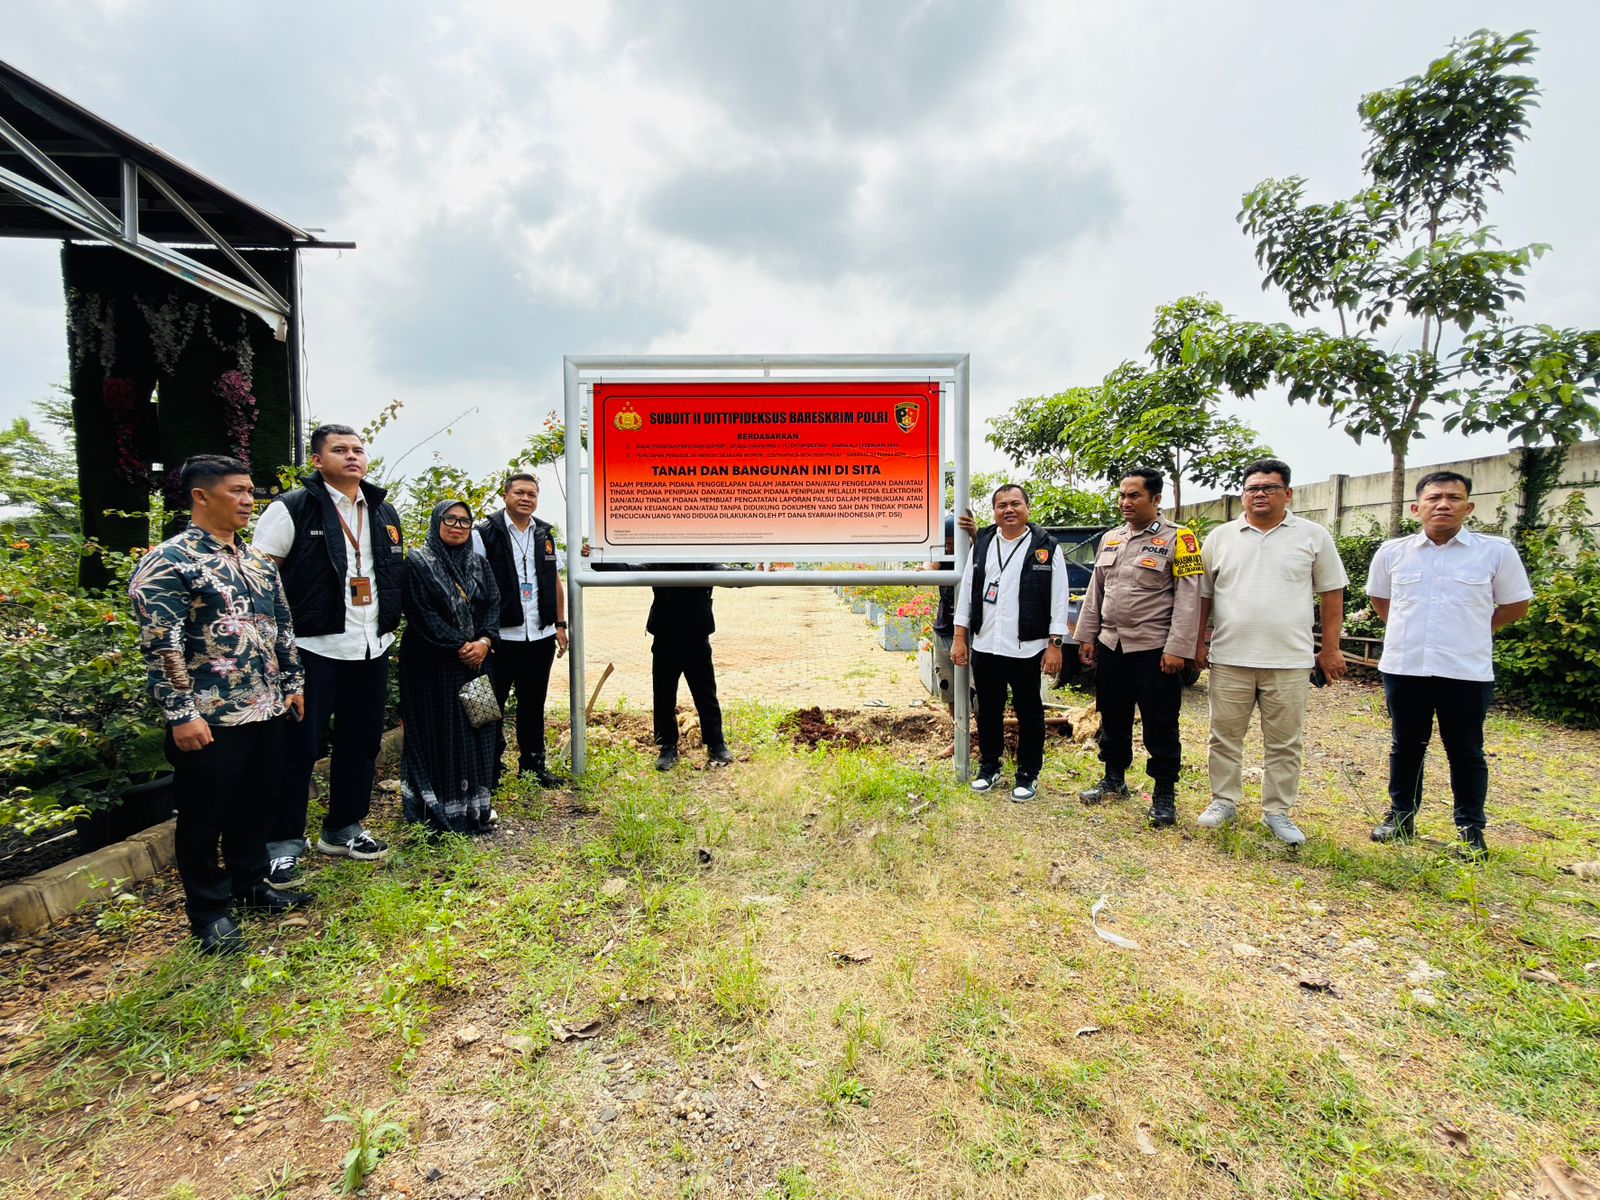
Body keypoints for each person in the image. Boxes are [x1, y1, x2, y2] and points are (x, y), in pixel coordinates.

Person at [129, 455, 310, 955]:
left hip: (267, 706)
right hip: (210, 716)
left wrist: (293, 682)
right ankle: (209, 911)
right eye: (237, 491)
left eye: (251, 490)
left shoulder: (255, 561)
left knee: (260, 802)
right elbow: (161, 645)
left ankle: (251, 884)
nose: (249, 499)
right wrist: (181, 713)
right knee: (205, 815)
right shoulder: (170, 560)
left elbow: (282, 627)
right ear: (201, 496)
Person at [254, 424, 403, 882]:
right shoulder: (292, 508)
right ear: (317, 461)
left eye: (358, 449)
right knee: (298, 748)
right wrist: (275, 648)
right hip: (311, 648)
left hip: (370, 645)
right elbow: (262, 581)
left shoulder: (382, 510)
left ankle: (343, 828)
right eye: (340, 450)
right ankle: (282, 843)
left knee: (361, 742)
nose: (353, 456)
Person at [1364, 471, 1532, 854]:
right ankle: (1401, 817)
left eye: (1454, 498)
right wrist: (1411, 631)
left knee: (1466, 750)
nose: (1443, 504)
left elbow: (1515, 605)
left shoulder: (1496, 551)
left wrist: (1475, 629)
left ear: (1468, 507)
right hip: (1405, 667)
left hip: (1465, 670)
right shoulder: (1392, 553)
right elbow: (1382, 602)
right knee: (1406, 745)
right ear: (1416, 507)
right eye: (1434, 497)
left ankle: (1471, 829)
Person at [1195, 458, 1348, 844]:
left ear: (1288, 494)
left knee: (1284, 742)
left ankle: (1278, 811)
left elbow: (1332, 595)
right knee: (1223, 736)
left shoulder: (1313, 536)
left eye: (1269, 488)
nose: (1260, 494)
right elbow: (1203, 598)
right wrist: (1197, 642)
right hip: (1230, 657)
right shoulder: (1220, 537)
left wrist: (1330, 649)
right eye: (1253, 489)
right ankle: (1223, 801)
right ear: (1243, 495)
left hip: (1289, 660)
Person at [1074, 468, 1203, 826]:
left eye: (1134, 496)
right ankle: (1114, 780)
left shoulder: (1181, 539)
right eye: (1122, 496)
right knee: (1112, 717)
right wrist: (1087, 636)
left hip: (1154, 649)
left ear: (1156, 499)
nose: (1125, 503)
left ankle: (1164, 794)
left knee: (1160, 724)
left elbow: (1189, 599)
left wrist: (1179, 649)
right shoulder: (1112, 538)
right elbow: (1096, 591)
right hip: (1111, 645)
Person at [952, 484, 1069, 802]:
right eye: (1001, 505)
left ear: (1027, 508)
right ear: (995, 512)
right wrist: (961, 638)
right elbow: (967, 594)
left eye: (1015, 503)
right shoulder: (984, 543)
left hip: (1026, 647)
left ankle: (1028, 774)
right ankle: (989, 766)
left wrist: (1055, 644)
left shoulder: (1046, 546)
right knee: (987, 709)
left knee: (1030, 711)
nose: (1008, 509)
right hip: (987, 644)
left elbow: (1059, 599)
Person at [399, 501, 502, 835]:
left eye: (465, 521)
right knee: (442, 730)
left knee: (482, 726)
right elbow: (420, 612)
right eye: (450, 519)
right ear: (436, 522)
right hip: (433, 664)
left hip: (478, 662)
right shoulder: (417, 562)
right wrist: (460, 645)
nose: (458, 526)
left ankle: (477, 804)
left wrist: (484, 641)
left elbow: (493, 605)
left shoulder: (479, 564)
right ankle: (440, 805)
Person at [472, 473, 569, 787]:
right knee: (489, 706)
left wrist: (560, 623)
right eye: (520, 493)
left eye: (532, 494)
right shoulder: (484, 534)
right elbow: (475, 586)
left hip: (539, 637)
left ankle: (533, 767)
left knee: (533, 704)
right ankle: (488, 769)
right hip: (499, 638)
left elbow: (554, 581)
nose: (526, 498)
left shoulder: (544, 533)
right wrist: (480, 634)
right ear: (506, 495)